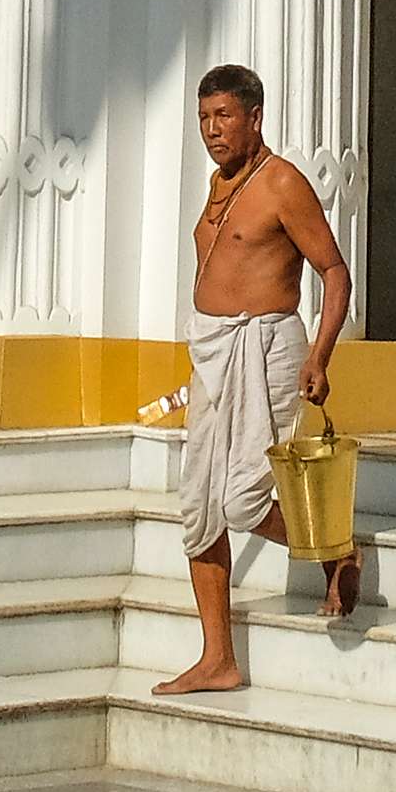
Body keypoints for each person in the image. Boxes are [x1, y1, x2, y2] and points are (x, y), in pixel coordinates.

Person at [153, 62, 360, 697]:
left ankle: (334, 549)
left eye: (224, 117)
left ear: (255, 118)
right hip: (214, 351)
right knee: (198, 510)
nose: (212, 131)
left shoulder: (283, 184)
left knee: (243, 499)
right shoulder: (218, 185)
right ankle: (218, 658)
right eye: (204, 119)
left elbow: (334, 272)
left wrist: (320, 355)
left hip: (266, 346)